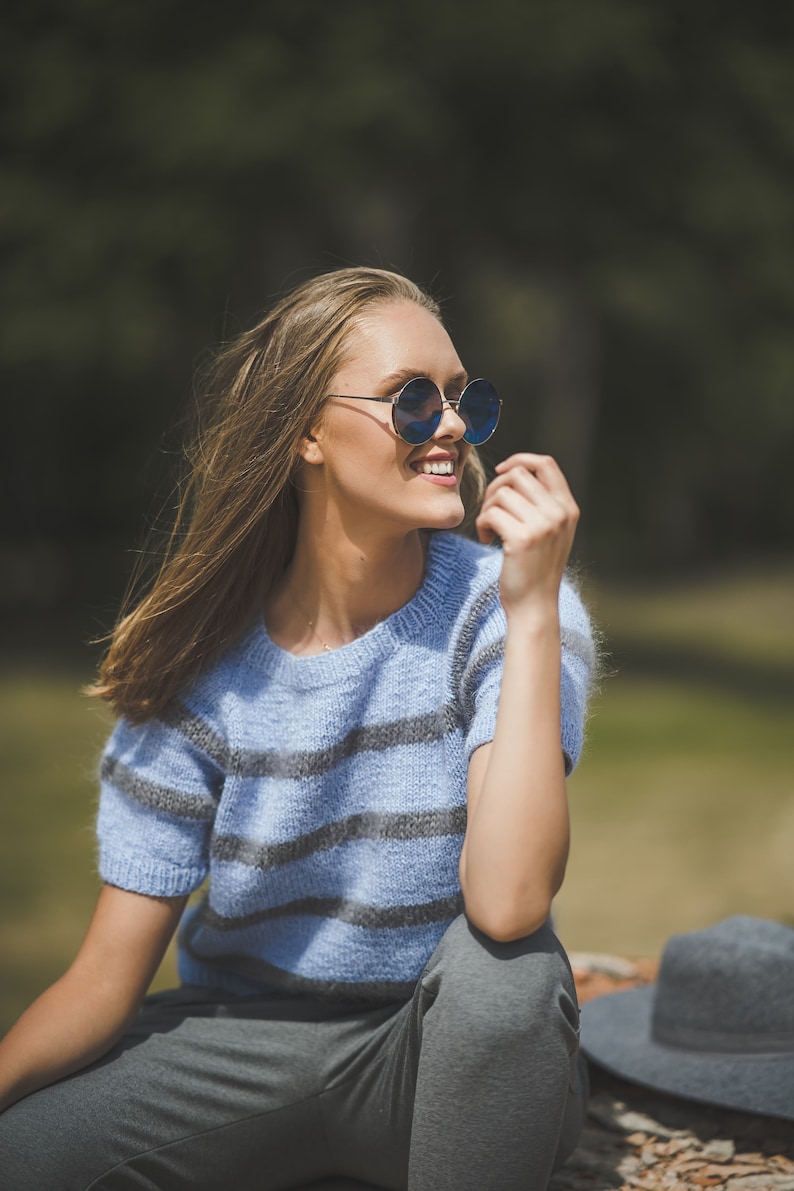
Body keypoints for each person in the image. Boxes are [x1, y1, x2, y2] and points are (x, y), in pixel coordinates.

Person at [0, 267, 594, 1190]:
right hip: (237, 1047)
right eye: (411, 400)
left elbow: (510, 901)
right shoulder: (202, 668)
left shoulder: (507, 611)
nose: (448, 425)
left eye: (461, 399)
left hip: (438, 1051)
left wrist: (530, 614)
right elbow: (104, 981)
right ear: (307, 432)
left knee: (508, 979)